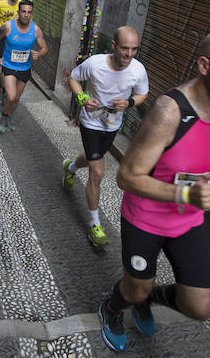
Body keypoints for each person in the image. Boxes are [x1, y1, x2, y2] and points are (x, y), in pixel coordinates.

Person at [97, 28, 210, 352]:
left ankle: (149, 296)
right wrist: (186, 195)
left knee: (201, 306)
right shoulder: (169, 112)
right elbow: (127, 177)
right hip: (146, 219)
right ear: (204, 65)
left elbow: (207, 148)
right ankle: (112, 308)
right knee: (134, 288)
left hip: (188, 222)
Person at [63, 26, 149, 247]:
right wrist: (82, 97)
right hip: (91, 121)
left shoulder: (138, 70)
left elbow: (142, 93)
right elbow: (73, 78)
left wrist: (129, 103)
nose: (129, 54)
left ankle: (71, 167)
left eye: (134, 49)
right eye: (124, 49)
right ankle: (94, 225)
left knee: (93, 159)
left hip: (112, 125)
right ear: (113, 46)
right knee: (98, 171)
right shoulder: (95, 63)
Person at [0, 0, 47, 133]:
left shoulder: (36, 30)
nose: (26, 15)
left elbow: (45, 47)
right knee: (11, 96)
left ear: (31, 14)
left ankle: (8, 116)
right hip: (9, 66)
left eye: (29, 12)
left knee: (16, 99)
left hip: (25, 68)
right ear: (18, 12)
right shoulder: (8, 26)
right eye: (23, 12)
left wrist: (39, 53)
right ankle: (3, 117)